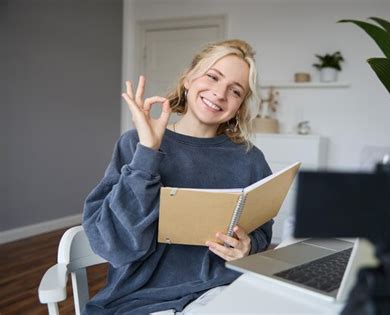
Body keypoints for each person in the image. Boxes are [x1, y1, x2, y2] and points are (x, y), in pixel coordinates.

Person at [82, 39, 273, 314]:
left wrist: (248, 246)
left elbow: (261, 229)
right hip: (143, 301)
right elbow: (115, 247)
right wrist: (148, 152)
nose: (220, 93)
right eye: (213, 77)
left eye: (235, 91)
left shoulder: (249, 159)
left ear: (240, 106)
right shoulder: (135, 144)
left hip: (222, 293)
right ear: (188, 78)